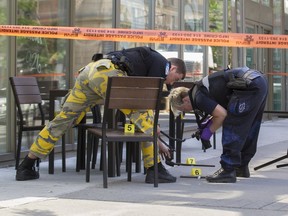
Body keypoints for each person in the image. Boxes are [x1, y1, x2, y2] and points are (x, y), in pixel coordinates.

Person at [16, 46, 187, 184]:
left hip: (91, 71)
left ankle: (27, 165)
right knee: (148, 117)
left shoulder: (146, 58)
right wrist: (156, 134)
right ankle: (154, 169)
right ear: (172, 68)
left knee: (62, 119)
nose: (170, 83)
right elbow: (145, 106)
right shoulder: (162, 64)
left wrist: (154, 134)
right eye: (174, 78)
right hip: (108, 75)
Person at [169, 66, 268, 183]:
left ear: (185, 99)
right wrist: (207, 128)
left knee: (233, 125)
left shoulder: (198, 97)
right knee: (250, 126)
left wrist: (207, 132)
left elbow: (222, 115)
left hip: (247, 85)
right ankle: (240, 167)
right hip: (258, 80)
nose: (185, 111)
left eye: (183, 109)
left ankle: (228, 170)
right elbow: (218, 114)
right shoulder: (200, 90)